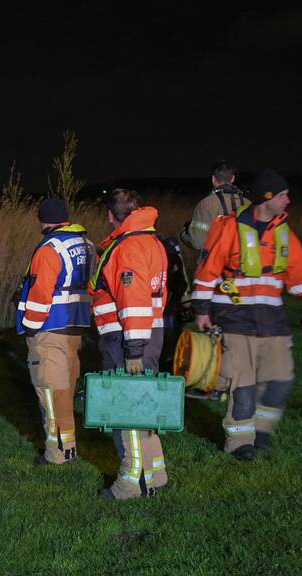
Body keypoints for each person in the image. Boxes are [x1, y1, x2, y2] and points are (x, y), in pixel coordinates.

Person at [192, 169, 302, 461]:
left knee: (281, 378)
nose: (288, 200)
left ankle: (262, 429)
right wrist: (202, 309)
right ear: (266, 198)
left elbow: (301, 274)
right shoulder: (228, 228)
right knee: (242, 383)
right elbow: (208, 272)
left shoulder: (283, 232)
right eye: (282, 195)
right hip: (234, 316)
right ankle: (240, 442)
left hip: (272, 318)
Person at [88, 189, 169, 498]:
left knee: (127, 408)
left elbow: (133, 300)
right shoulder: (152, 241)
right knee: (144, 404)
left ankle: (130, 482)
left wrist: (133, 349)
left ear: (111, 215)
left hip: (127, 339)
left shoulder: (127, 247)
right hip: (150, 334)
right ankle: (155, 473)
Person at [15, 197, 93, 466]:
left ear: (43, 220)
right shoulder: (85, 244)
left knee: (48, 391)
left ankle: (56, 453)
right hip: (75, 328)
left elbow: (40, 294)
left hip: (50, 328)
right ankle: (68, 448)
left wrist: (30, 327)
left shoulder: (50, 249)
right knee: (64, 391)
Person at [180, 160, 245, 258]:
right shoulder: (248, 203)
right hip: (245, 267)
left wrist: (184, 233)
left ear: (213, 179)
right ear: (232, 179)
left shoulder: (206, 204)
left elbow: (197, 243)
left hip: (216, 267)